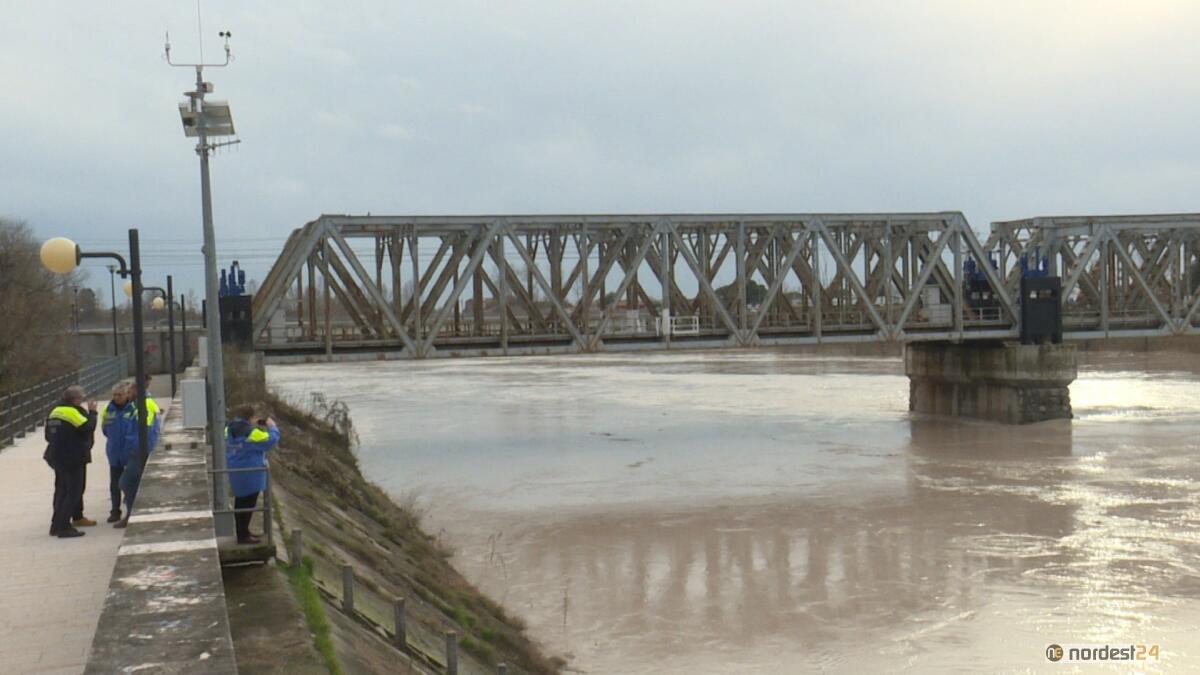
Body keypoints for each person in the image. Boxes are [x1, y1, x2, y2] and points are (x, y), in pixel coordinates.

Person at [44, 385, 97, 538]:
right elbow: (88, 427)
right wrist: (93, 412)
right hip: (72, 458)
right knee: (73, 492)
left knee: (61, 491)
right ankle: (64, 527)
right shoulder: (72, 412)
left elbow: (48, 436)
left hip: (57, 457)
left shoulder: (54, 411)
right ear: (76, 399)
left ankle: (56, 525)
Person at [225, 404, 280, 544]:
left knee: (240, 503)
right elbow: (270, 440)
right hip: (251, 473)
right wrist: (272, 427)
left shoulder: (229, 428)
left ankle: (243, 532)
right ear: (250, 417)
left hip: (235, 470)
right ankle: (243, 536)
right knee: (248, 504)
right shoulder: (251, 432)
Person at [114, 382, 162, 529]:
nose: (127, 395)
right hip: (138, 450)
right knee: (132, 483)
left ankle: (133, 515)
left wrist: (135, 447)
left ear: (136, 390)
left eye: (129, 392)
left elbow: (144, 429)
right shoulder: (139, 405)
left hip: (141, 451)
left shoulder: (144, 405)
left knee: (126, 482)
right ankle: (133, 514)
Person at [100, 382, 134, 523]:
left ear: (127, 394)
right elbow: (105, 430)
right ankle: (115, 511)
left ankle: (130, 510)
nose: (116, 398)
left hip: (129, 453)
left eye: (119, 395)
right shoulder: (109, 410)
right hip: (114, 453)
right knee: (114, 484)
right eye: (114, 395)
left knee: (128, 484)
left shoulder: (133, 409)